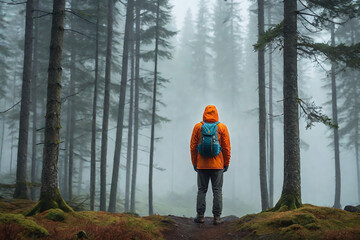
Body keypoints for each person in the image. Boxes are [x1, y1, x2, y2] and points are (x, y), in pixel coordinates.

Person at [190, 105, 231, 225]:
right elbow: (227, 148)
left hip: (202, 165)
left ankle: (200, 216)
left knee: (202, 190)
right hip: (217, 165)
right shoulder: (221, 127)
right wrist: (226, 163)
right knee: (217, 190)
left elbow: (193, 147)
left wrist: (195, 163)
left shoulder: (198, 127)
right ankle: (217, 217)